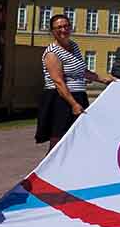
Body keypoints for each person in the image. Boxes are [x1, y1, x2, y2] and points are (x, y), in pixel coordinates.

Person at [36, 14, 110, 149]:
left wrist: (104, 79)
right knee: (58, 142)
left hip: (78, 95)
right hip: (60, 99)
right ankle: (51, 164)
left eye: (66, 26)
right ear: (52, 31)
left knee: (77, 138)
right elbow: (58, 82)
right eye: (59, 27)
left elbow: (82, 71)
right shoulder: (52, 53)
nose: (63, 30)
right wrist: (74, 104)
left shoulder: (74, 46)